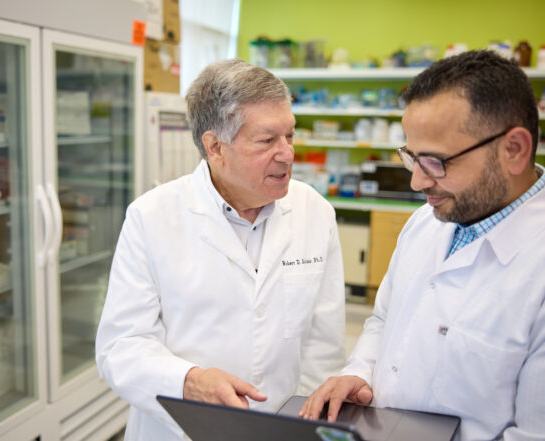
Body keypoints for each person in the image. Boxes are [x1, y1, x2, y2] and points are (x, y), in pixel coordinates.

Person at [95, 58, 346, 441]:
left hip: (282, 427)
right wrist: (189, 382)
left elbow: (323, 344)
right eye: (267, 141)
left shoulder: (315, 212)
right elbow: (120, 346)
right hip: (180, 430)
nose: (287, 153)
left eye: (290, 136)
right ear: (215, 147)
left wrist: (307, 424)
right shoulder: (152, 217)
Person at [300, 49, 545, 441]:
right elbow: (382, 321)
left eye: (434, 162)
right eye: (411, 157)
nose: (416, 182)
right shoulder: (425, 224)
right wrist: (358, 372)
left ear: (513, 150)